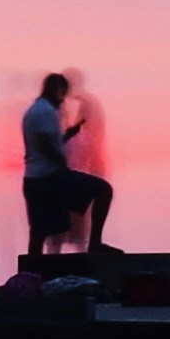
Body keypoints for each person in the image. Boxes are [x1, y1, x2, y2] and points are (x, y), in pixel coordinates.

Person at [20, 72, 112, 258]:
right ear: (57, 91)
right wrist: (61, 164)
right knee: (103, 190)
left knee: (39, 230)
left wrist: (68, 134)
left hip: (34, 179)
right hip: (49, 177)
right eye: (63, 95)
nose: (63, 102)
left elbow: (44, 143)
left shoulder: (34, 111)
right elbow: (45, 144)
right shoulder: (45, 111)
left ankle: (32, 271)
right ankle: (95, 244)